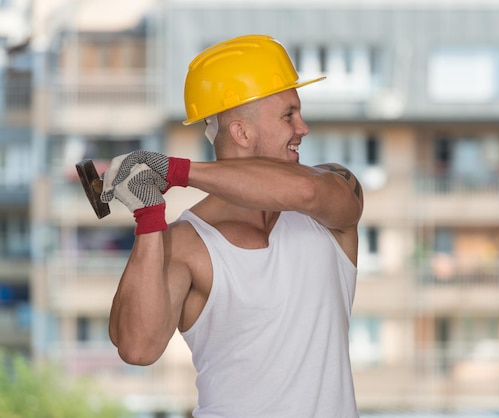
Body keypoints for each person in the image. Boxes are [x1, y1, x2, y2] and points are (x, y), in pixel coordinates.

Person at [100, 34, 363, 417]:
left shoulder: (332, 194)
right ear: (241, 132)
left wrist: (176, 171)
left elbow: (306, 192)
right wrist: (149, 214)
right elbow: (138, 348)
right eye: (289, 115)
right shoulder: (186, 243)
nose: (303, 128)